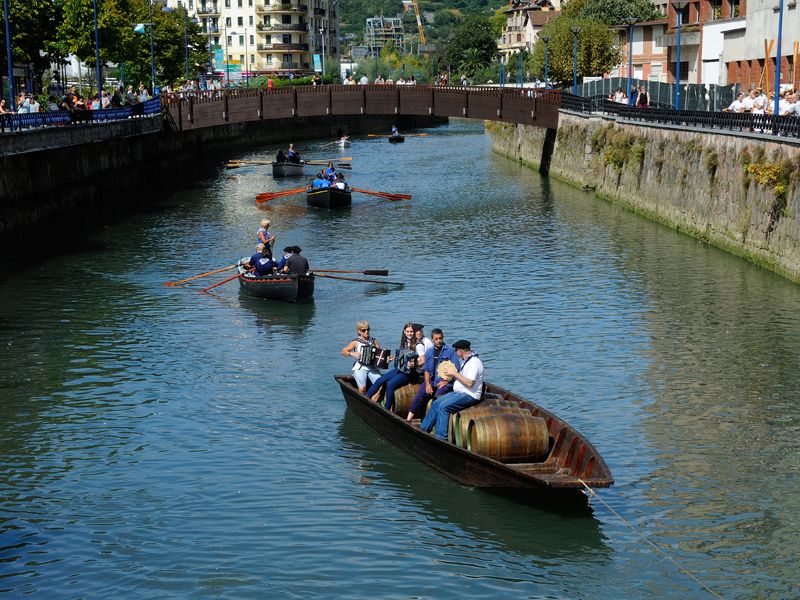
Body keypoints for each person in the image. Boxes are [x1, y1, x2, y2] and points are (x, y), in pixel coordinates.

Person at [420, 339, 484, 441]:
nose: (455, 353)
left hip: (469, 394)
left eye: (456, 350)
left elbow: (469, 383)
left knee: (443, 407)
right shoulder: (466, 360)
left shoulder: (474, 363)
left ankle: (441, 438)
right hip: (460, 392)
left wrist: (454, 373)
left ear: (461, 351)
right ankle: (423, 430)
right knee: (436, 403)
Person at [406, 328, 458, 422]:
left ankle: (429, 422)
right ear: (432, 339)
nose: (439, 341)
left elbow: (456, 369)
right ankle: (408, 419)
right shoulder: (429, 351)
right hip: (431, 381)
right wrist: (427, 384)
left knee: (436, 400)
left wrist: (446, 381)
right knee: (419, 396)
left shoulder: (450, 351)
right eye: (436, 339)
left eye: (440, 338)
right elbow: (426, 370)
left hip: (444, 382)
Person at [366, 323, 420, 410]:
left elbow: (421, 360)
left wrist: (414, 364)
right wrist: (393, 358)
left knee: (390, 384)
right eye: (408, 331)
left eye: (411, 331)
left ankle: (387, 408)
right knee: (380, 380)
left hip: (410, 373)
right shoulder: (404, 342)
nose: (410, 333)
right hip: (400, 369)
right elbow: (401, 356)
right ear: (404, 332)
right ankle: (365, 397)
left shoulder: (417, 344)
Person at [341, 321, 383, 393]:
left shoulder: (374, 341)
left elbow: (379, 354)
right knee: (363, 388)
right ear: (359, 331)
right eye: (363, 330)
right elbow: (343, 351)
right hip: (360, 367)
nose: (366, 331)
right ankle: (363, 401)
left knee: (381, 386)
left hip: (372, 367)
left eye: (368, 329)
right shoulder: (356, 342)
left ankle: (372, 401)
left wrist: (387, 359)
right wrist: (352, 353)